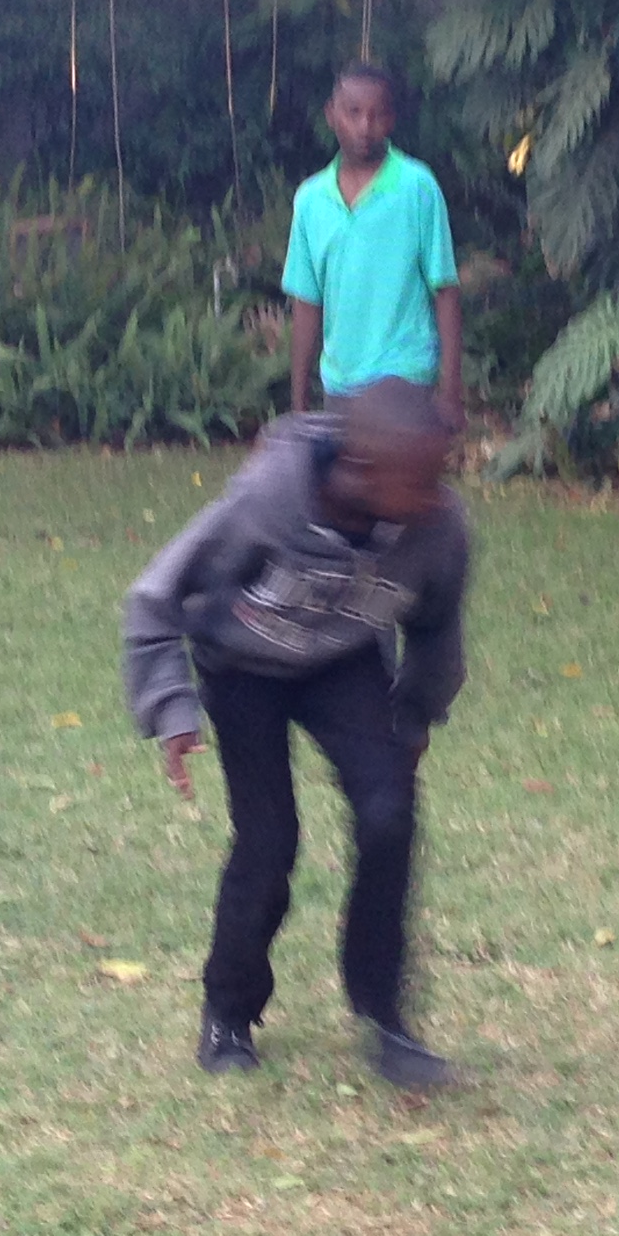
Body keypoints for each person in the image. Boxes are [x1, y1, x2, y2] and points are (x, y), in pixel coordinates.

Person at [123, 379, 471, 1090]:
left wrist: (415, 713)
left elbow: (437, 627)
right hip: (241, 670)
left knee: (389, 815)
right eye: (421, 482)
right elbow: (156, 594)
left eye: (442, 477)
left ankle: (385, 1017)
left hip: (342, 663)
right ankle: (228, 1012)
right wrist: (171, 708)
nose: (438, 497)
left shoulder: (437, 528)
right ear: (363, 470)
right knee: (269, 842)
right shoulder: (266, 501)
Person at [284, 65, 463, 425]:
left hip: (405, 375)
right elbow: (307, 303)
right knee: (348, 463)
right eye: (353, 113)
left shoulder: (417, 188)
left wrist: (450, 390)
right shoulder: (311, 200)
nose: (365, 126)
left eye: (377, 115)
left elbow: (445, 289)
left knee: (388, 461)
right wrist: (299, 404)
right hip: (340, 383)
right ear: (331, 115)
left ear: (391, 120)